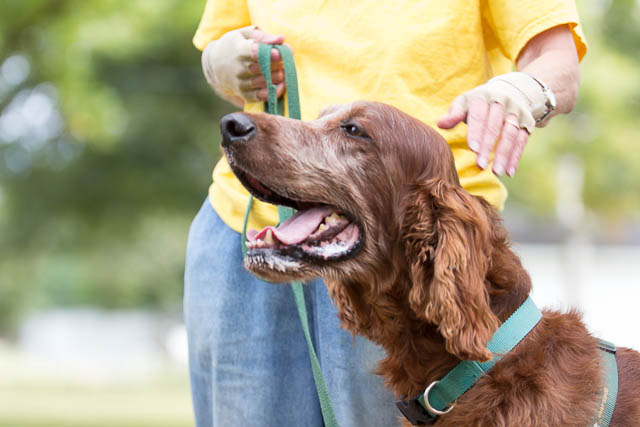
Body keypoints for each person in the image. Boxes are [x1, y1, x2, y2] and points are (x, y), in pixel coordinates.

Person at [185, 1, 587, 426]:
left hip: (411, 256)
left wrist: (524, 90)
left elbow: (557, 62)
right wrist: (220, 62)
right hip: (242, 221)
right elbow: (220, 39)